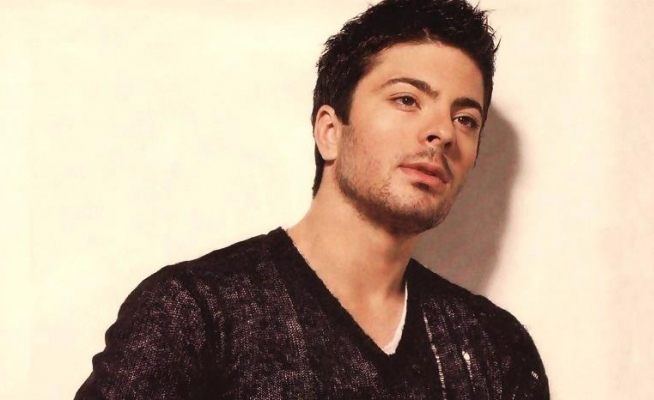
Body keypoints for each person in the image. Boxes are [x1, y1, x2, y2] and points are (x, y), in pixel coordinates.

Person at [76, 0, 549, 398]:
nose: (442, 132)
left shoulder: (495, 349)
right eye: (407, 99)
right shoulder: (196, 315)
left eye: (466, 119)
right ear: (330, 132)